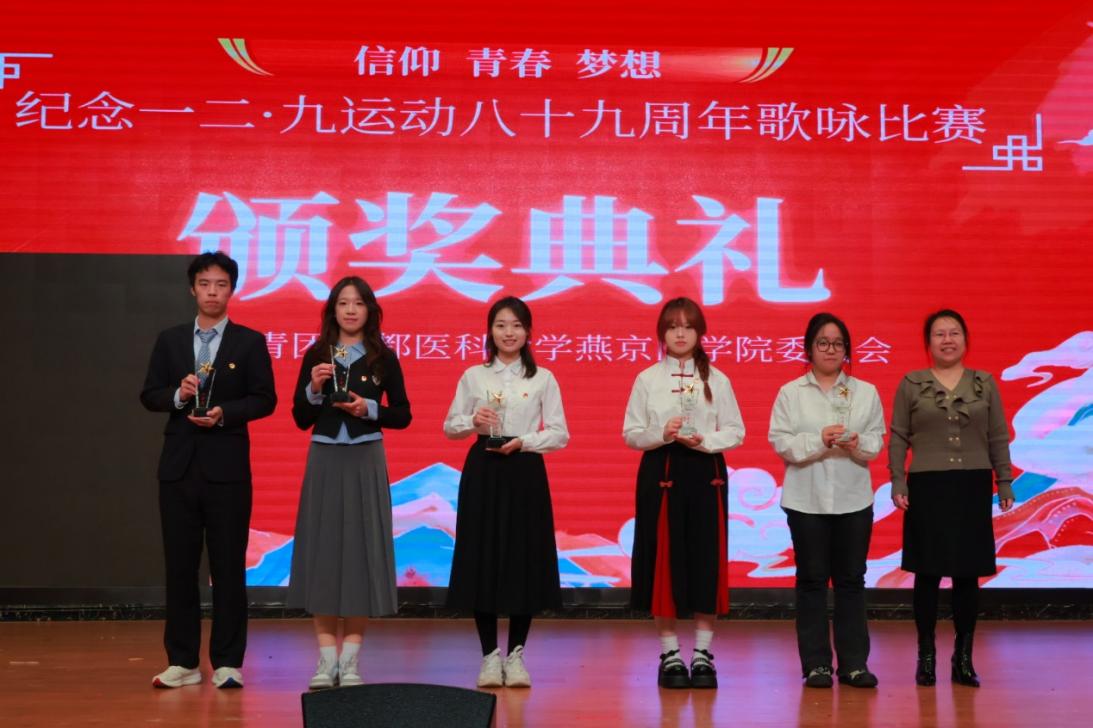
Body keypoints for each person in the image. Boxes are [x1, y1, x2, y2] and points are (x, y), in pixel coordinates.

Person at [139, 251, 277, 689]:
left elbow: (265, 399)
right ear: (192, 288)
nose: (212, 292)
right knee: (179, 567)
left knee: (229, 567)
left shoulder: (249, 342)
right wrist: (179, 396)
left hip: (227, 470)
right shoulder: (170, 340)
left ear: (232, 290)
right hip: (178, 469)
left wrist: (224, 413)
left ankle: (228, 663)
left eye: (221, 284)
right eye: (204, 284)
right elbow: (150, 394)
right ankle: (182, 661)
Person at [288, 276, 411, 689]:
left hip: (365, 458)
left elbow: (403, 414)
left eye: (358, 303)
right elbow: (300, 417)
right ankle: (326, 661)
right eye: (343, 303)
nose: (351, 310)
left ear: (370, 310)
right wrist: (314, 387)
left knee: (361, 553)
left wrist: (368, 408)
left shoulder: (383, 357)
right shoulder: (317, 354)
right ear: (333, 310)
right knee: (323, 553)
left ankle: (351, 660)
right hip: (325, 457)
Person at [443, 296, 568, 688]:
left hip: (525, 469)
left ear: (528, 331)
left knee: (522, 559)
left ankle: (516, 655)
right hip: (484, 467)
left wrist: (525, 441)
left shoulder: (543, 377)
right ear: (490, 331)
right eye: (500, 325)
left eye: (516, 325)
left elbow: (560, 433)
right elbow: (450, 427)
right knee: (482, 558)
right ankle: (489, 656)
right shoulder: (474, 376)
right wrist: (472, 420)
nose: (508, 333)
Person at [888, 308, 1015, 688]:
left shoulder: (985, 383)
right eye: (939, 334)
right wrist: (898, 481)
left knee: (966, 574)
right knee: (926, 573)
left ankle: (963, 658)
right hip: (927, 485)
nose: (947, 340)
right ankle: (926, 656)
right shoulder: (911, 383)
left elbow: (997, 436)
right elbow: (898, 436)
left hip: (972, 484)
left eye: (954, 333)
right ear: (928, 343)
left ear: (965, 340)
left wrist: (1004, 480)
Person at [623, 297, 744, 689]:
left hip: (706, 471)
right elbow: (631, 433)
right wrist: (663, 433)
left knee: (705, 559)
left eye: (688, 326)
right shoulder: (647, 379)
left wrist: (704, 440)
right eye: (673, 326)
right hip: (661, 470)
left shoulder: (717, 379)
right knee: (663, 560)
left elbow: (736, 431)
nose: (680, 333)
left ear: (699, 332)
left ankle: (703, 653)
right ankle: (670, 652)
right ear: (662, 332)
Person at [768, 313, 885, 689]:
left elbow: (876, 442)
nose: (830, 349)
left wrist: (857, 443)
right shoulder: (791, 392)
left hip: (854, 497)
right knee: (812, 580)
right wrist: (819, 440)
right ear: (809, 349)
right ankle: (816, 664)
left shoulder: (865, 392)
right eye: (823, 342)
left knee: (851, 580)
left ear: (846, 350)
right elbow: (781, 442)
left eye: (837, 343)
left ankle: (854, 664)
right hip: (806, 499)